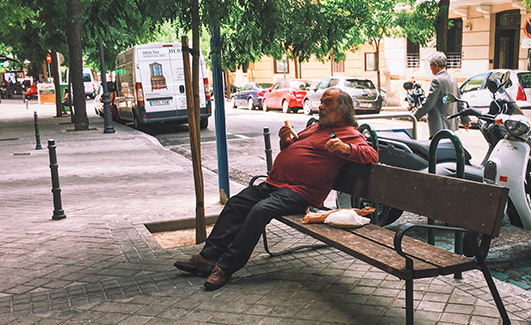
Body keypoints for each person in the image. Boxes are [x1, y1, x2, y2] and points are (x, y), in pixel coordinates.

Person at [174, 88, 378, 291]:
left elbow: (371, 155)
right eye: (322, 102)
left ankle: (225, 267)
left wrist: (346, 149)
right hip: (275, 184)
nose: (321, 107)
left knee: (260, 211)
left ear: (342, 110)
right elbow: (294, 150)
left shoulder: (349, 134)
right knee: (236, 203)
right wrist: (286, 142)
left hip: (301, 193)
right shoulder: (316, 127)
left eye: (328, 103)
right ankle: (207, 258)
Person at [414, 51, 471, 138]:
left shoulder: (437, 80)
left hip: (439, 126)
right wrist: (465, 119)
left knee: (436, 149)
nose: (430, 68)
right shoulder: (453, 80)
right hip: (451, 126)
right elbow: (459, 102)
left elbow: (429, 103)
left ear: (435, 65)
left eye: (430, 66)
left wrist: (415, 116)